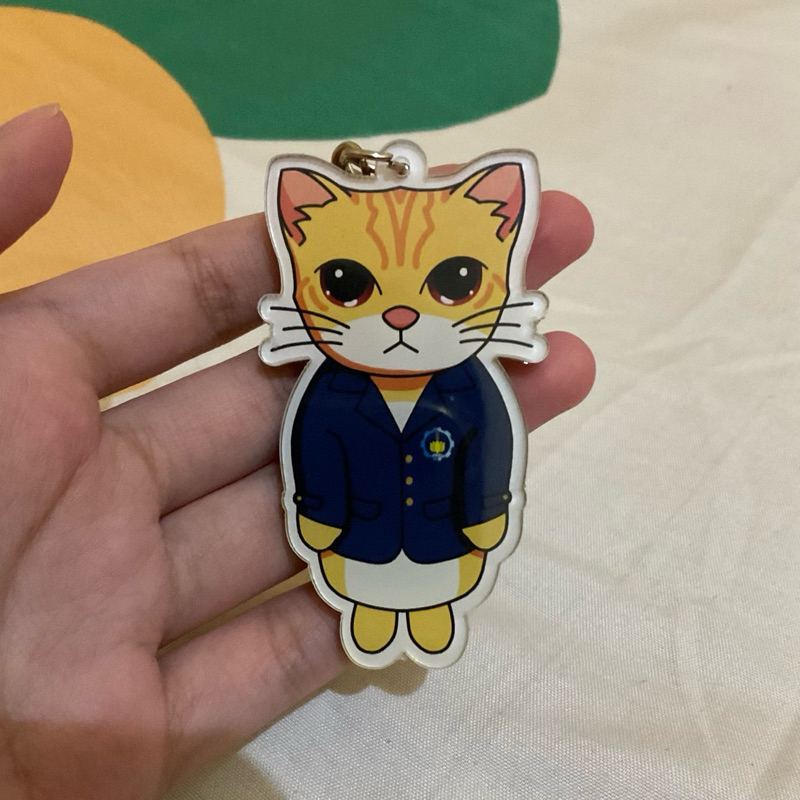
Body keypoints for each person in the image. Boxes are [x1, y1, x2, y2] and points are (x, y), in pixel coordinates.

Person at [0, 104, 595, 799]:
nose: (401, 316)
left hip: (446, 531)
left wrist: (487, 510)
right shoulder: (329, 391)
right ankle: (373, 607)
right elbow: (315, 450)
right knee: (362, 583)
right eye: (347, 284)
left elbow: (489, 446)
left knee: (440, 578)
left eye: (455, 281)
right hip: (357, 532)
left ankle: (430, 604)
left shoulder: (472, 387)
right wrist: (315, 515)